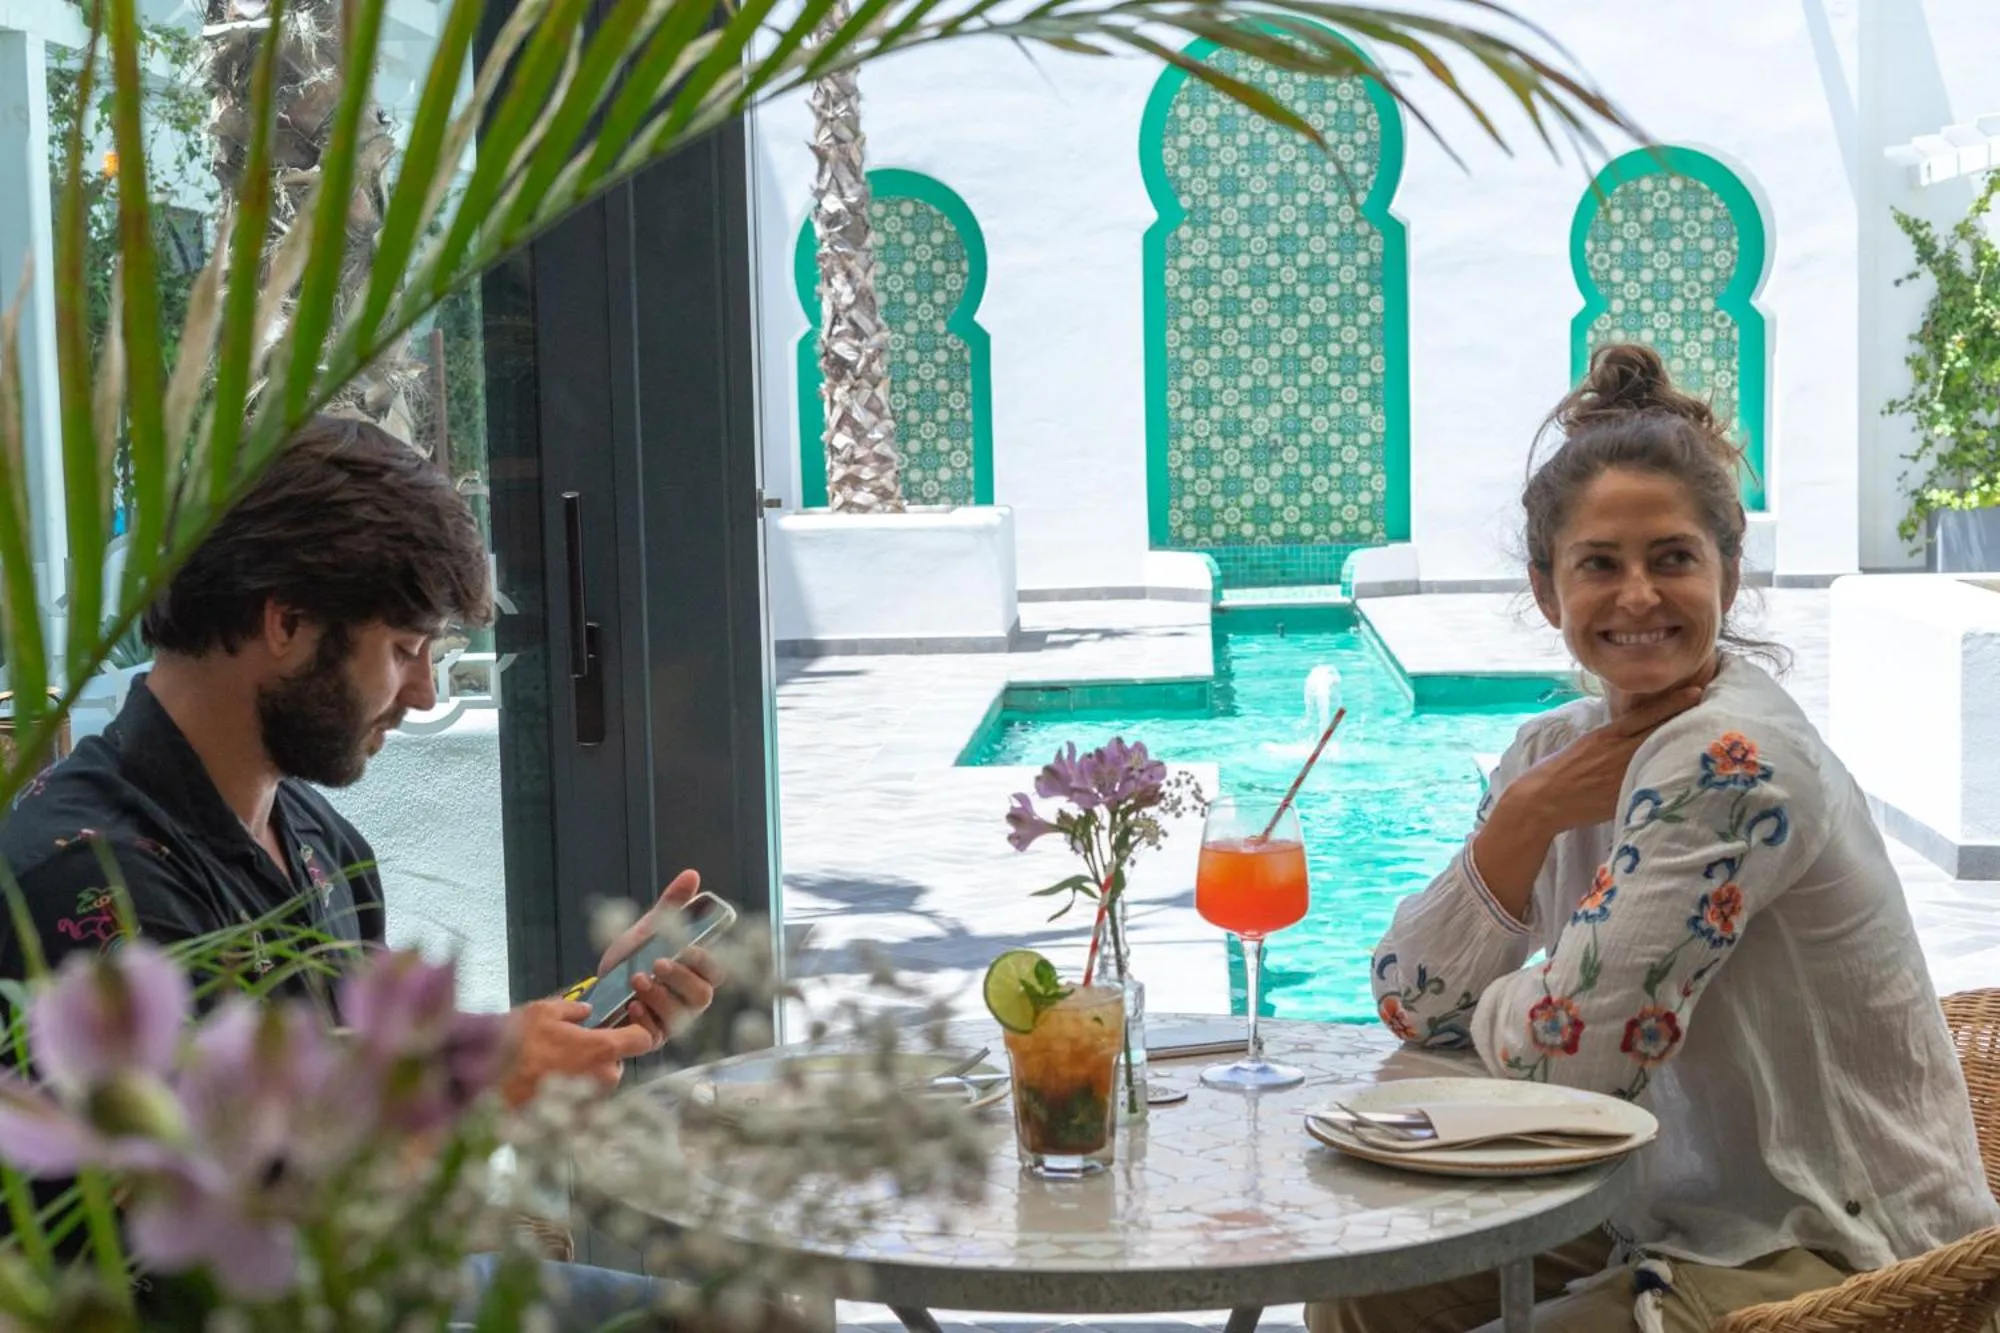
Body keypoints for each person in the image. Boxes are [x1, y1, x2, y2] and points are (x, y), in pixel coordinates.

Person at [1318, 344, 2000, 1333]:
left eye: (1671, 558)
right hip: (1652, 1202)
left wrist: (1507, 1007)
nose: (1636, 596)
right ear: (1546, 590)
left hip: (1823, 1234)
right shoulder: (1555, 754)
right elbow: (1408, 1000)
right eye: (1598, 564)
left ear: (1727, 572)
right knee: (1359, 1293)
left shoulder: (1732, 759)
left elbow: (1570, 1061)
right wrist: (1521, 819)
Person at [0, 415, 721, 1321]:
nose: (423, 693)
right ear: (288, 621)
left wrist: (581, 1013)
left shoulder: (318, 843)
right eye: (405, 649)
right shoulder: (81, 885)